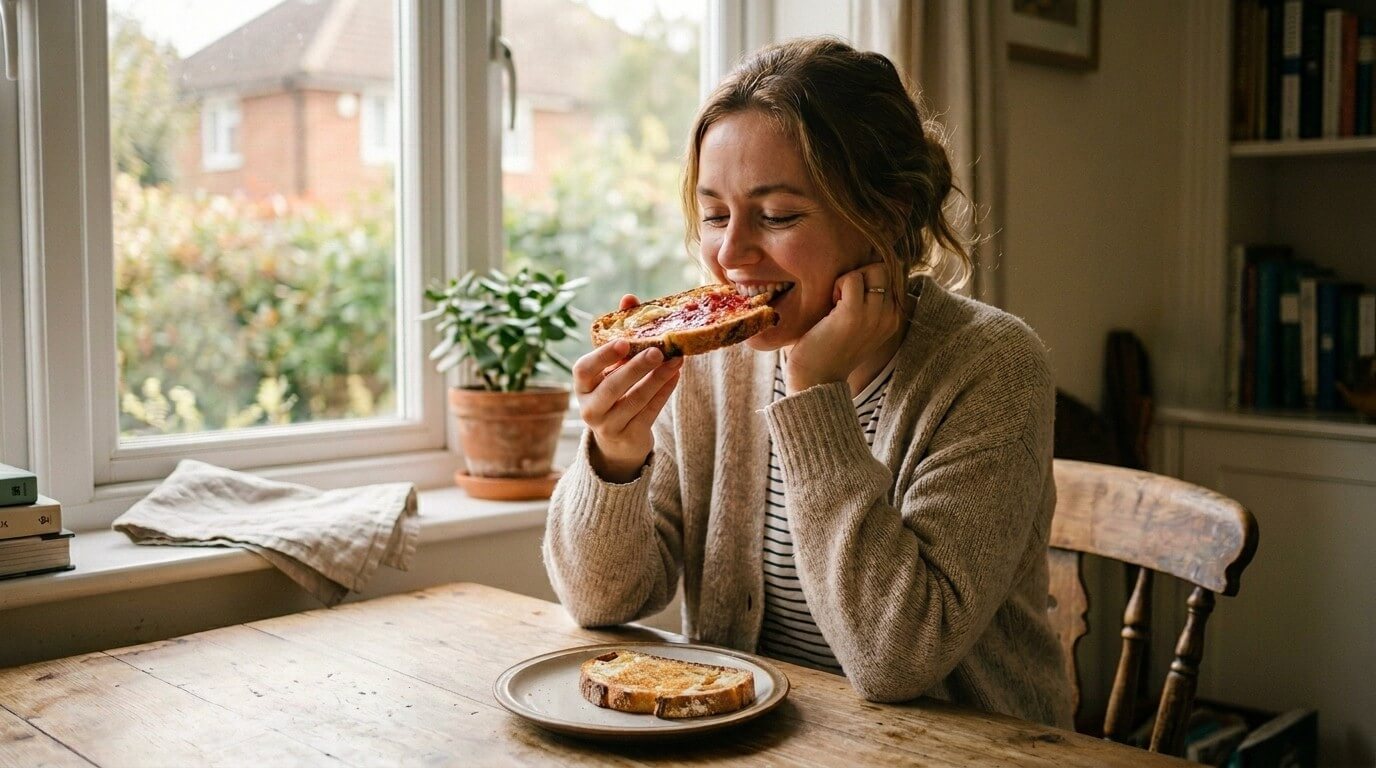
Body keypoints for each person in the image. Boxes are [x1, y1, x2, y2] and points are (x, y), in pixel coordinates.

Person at [543, 36, 1072, 728]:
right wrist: (613, 457)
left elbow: (896, 658)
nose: (731, 255)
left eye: (778, 215)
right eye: (714, 214)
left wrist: (813, 391)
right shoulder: (714, 363)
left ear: (886, 213)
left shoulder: (993, 366)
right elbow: (600, 601)